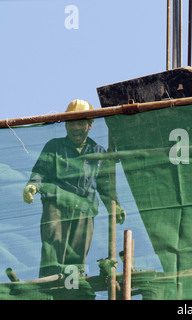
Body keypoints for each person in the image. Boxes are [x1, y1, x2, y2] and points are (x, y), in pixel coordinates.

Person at [23, 99, 126, 284]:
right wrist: (33, 185)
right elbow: (41, 171)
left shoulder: (98, 152)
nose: (75, 127)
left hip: (83, 211)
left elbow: (105, 185)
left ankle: (71, 289)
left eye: (80, 122)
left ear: (90, 125)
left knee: (77, 253)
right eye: (71, 122)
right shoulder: (54, 147)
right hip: (56, 205)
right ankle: (48, 288)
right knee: (53, 247)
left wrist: (114, 205)